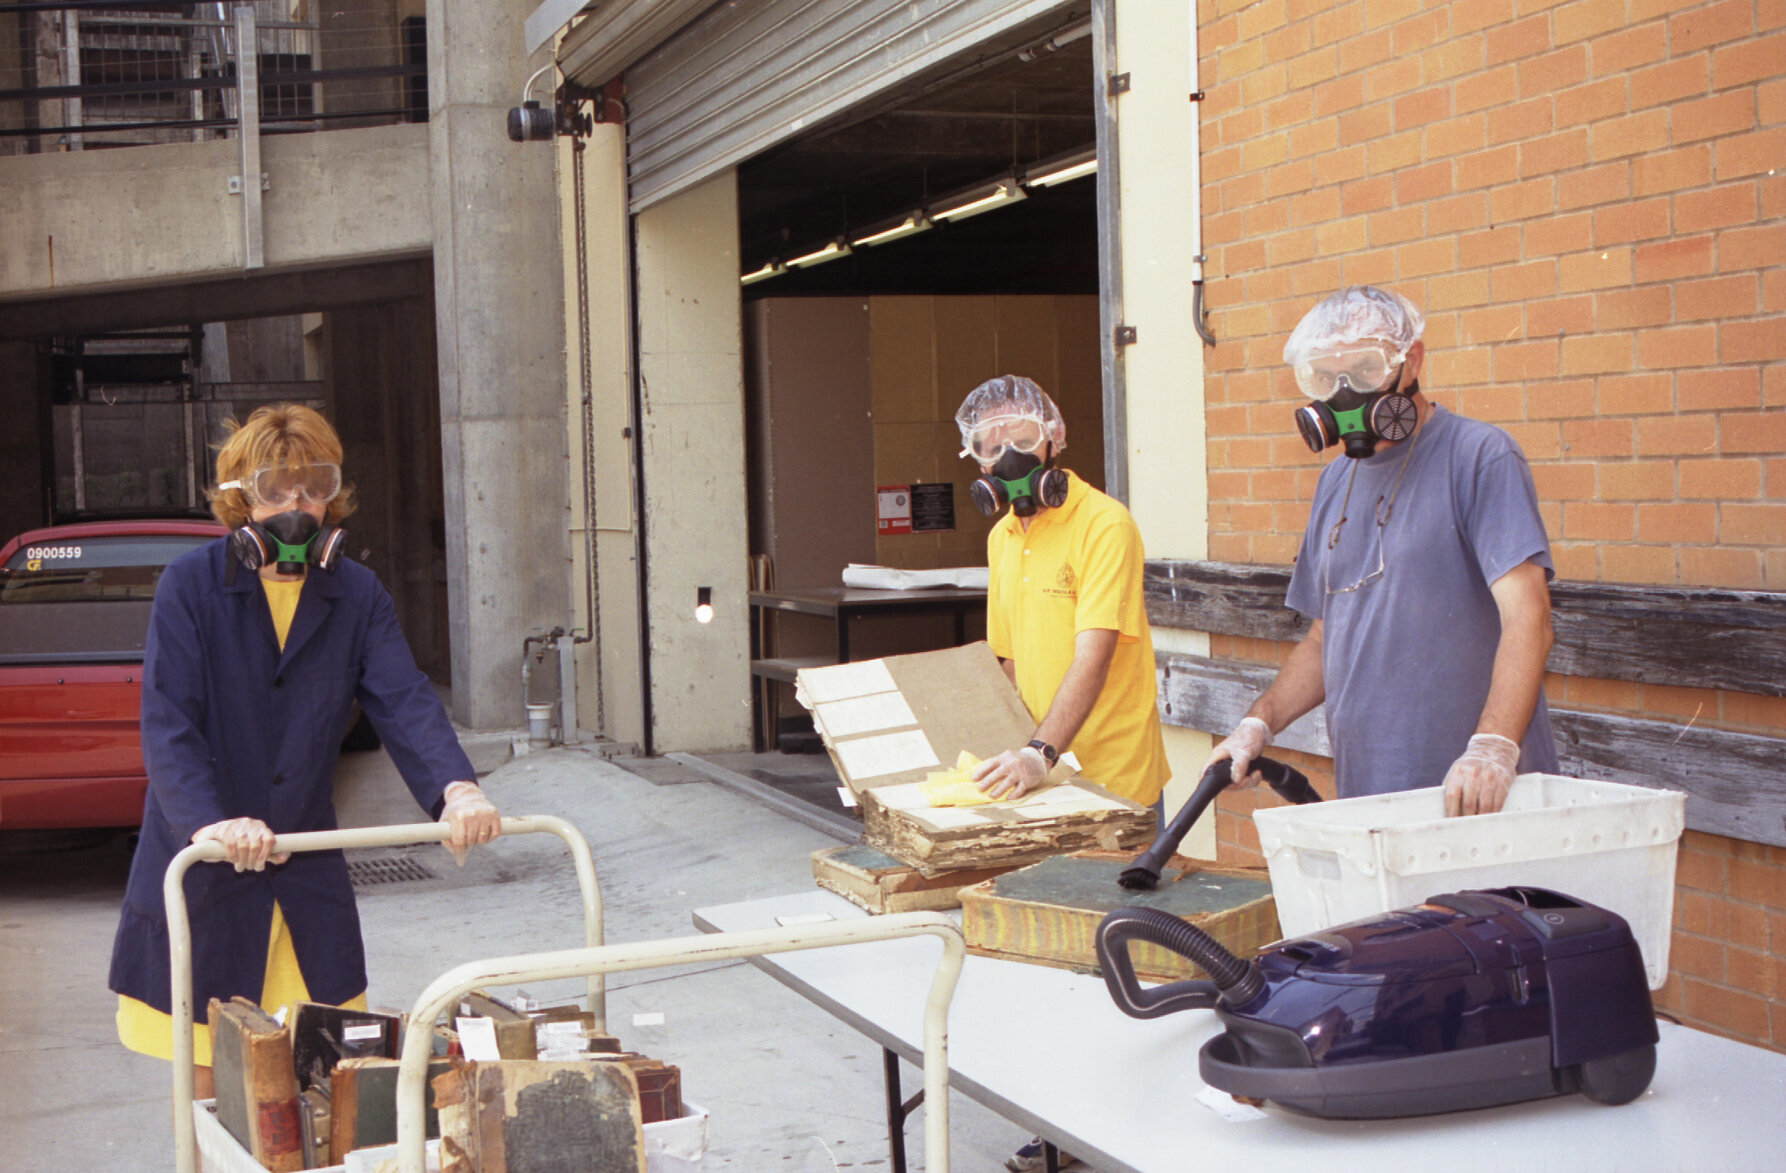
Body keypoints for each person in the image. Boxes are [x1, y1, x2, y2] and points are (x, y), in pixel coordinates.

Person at [108, 403, 501, 1095]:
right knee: (215, 1095)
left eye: (314, 486)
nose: (298, 506)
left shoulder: (356, 593)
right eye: (276, 488)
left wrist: (456, 788)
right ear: (241, 498)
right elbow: (169, 725)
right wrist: (210, 823)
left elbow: (403, 697)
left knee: (322, 1086)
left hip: (305, 879)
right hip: (208, 875)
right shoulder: (189, 587)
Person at [1208, 286, 1557, 816]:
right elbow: (1324, 639)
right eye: (1326, 378)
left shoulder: (1479, 456)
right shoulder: (1334, 481)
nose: (1344, 394)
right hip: (1370, 790)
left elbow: (1529, 617)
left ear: (1410, 360)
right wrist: (1257, 725)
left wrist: (1493, 747)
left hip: (1478, 796)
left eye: (1365, 371)